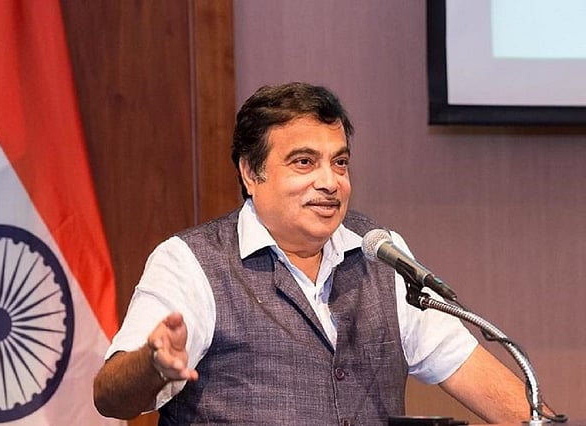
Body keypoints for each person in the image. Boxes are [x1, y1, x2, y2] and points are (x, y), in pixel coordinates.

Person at [93, 82, 532, 424]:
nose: (330, 182)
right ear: (251, 172)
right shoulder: (190, 262)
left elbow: (481, 380)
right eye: (304, 162)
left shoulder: (381, 254)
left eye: (339, 163)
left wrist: (541, 420)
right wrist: (153, 364)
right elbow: (111, 399)